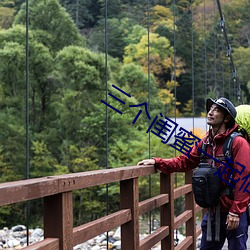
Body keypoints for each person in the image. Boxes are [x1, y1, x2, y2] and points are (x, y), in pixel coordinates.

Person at [137, 97, 250, 250]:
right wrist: (158, 162)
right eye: (210, 109)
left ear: (227, 118)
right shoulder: (205, 143)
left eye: (216, 110)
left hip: (233, 211)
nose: (210, 112)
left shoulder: (238, 143)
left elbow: (244, 179)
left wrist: (236, 212)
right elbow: (185, 161)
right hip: (213, 211)